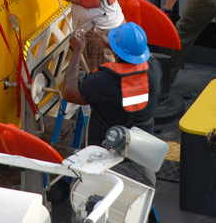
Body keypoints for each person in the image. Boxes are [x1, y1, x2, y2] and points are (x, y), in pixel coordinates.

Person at [61, 21, 162, 187]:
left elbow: (69, 91)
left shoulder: (103, 81)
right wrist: (109, 44)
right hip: (142, 155)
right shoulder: (154, 70)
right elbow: (132, 67)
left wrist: (77, 50)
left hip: (107, 157)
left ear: (117, 50)